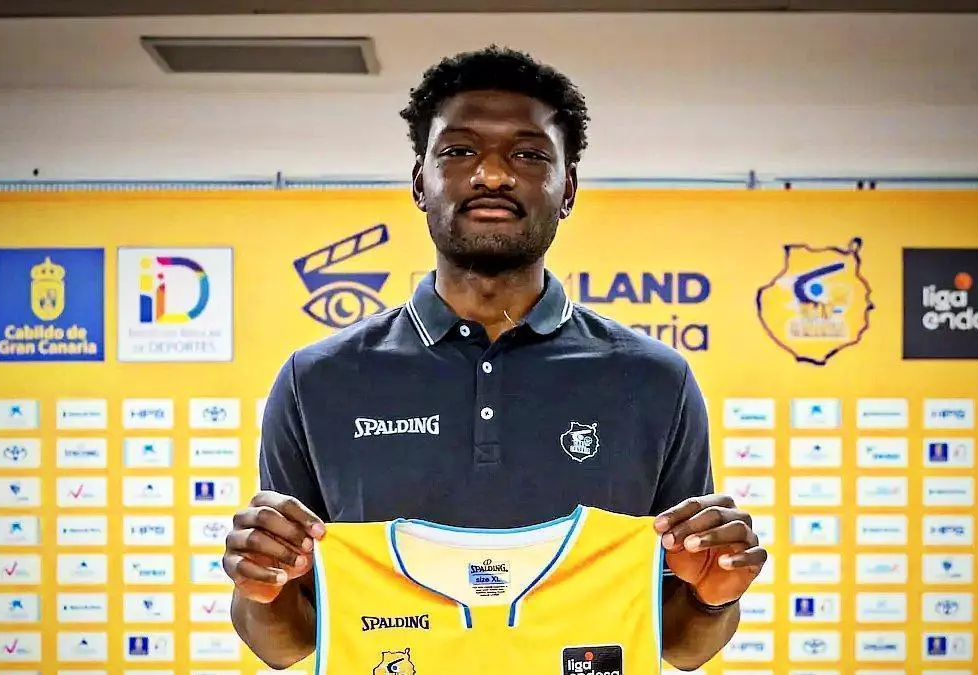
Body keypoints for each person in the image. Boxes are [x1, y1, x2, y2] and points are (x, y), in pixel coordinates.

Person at [223, 45, 766, 671]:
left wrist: (712, 596)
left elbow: (680, 645)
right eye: (458, 151)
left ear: (567, 189)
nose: (492, 175)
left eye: (529, 155)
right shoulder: (316, 379)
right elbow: (285, 643)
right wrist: (261, 587)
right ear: (420, 183)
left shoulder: (654, 380)